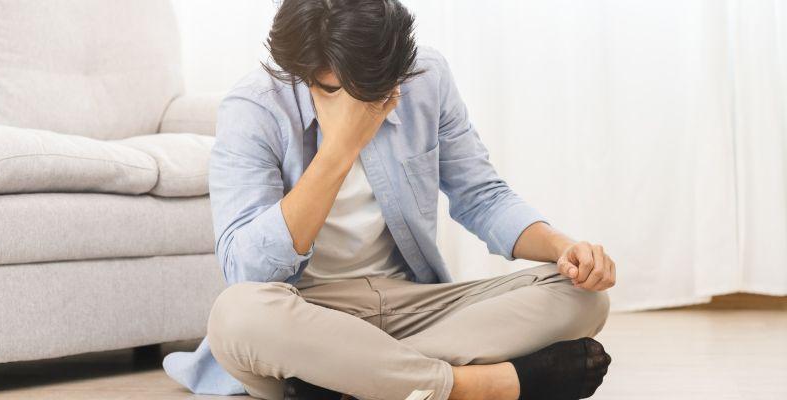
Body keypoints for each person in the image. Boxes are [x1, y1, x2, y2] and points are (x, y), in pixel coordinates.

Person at [202, 1, 616, 399]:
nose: (364, 104)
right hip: (307, 313)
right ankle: (475, 387)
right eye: (336, 89)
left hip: (414, 306)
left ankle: (347, 383)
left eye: (378, 90)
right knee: (236, 315)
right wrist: (340, 149)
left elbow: (482, 197)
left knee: (583, 297)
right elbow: (248, 271)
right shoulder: (254, 107)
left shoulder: (425, 77)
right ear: (303, 74)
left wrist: (563, 248)